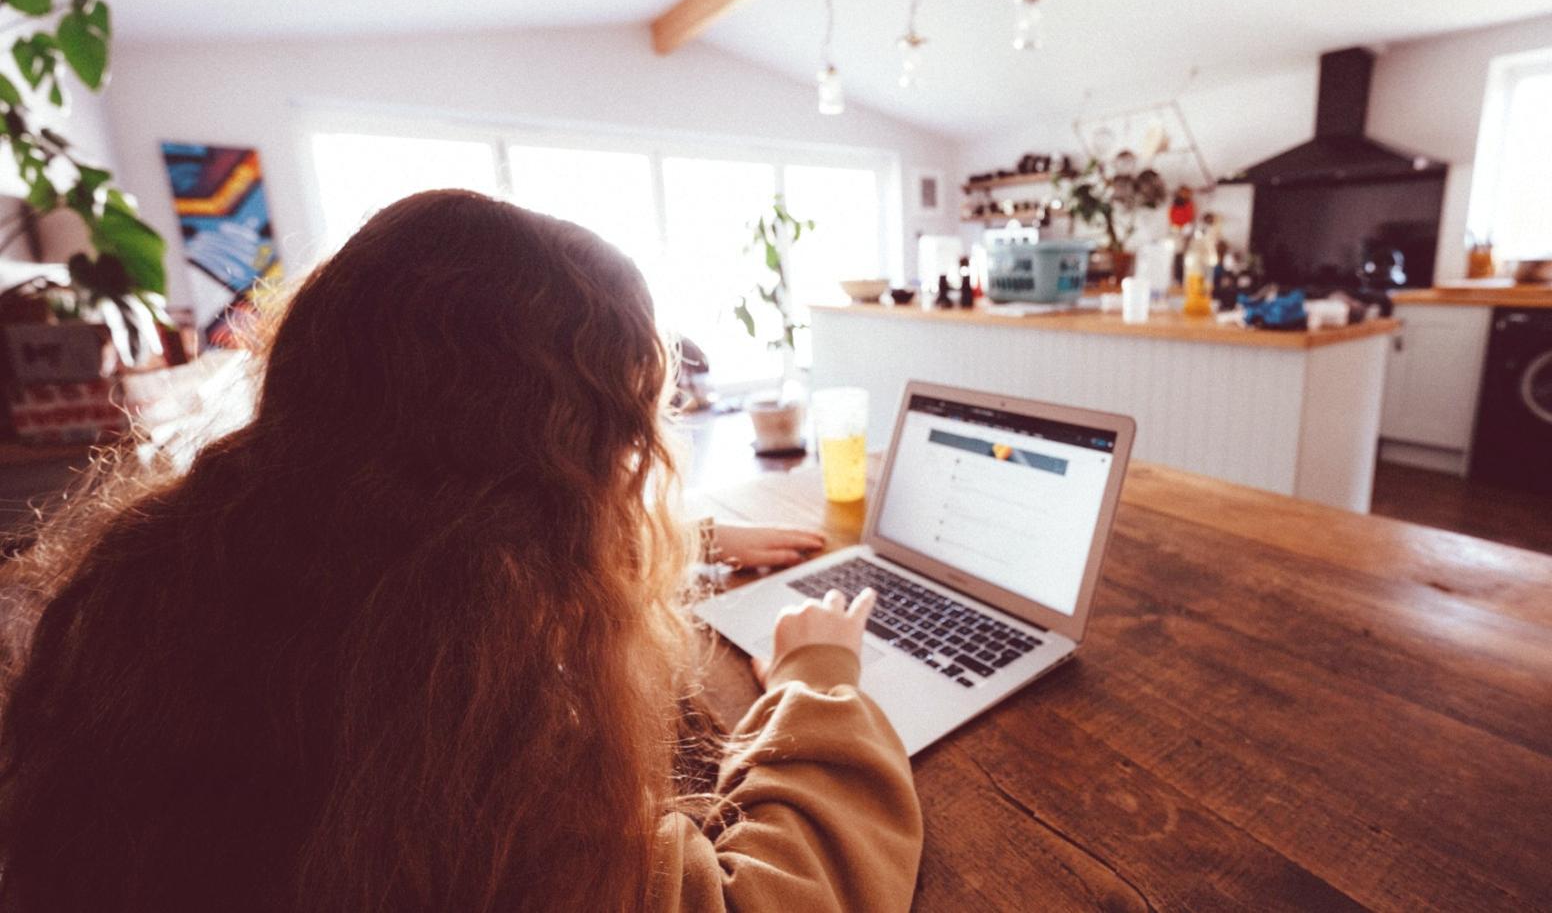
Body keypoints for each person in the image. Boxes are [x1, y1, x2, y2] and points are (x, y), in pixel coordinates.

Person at [0, 190, 921, 913]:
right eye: (613, 440)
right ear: (555, 475)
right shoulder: (457, 738)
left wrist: (686, 542)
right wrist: (819, 684)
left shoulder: (167, 579)